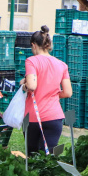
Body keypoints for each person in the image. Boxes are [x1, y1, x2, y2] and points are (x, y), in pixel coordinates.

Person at [23, 25, 72, 154]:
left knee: (33, 157)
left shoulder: (31, 61)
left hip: (33, 116)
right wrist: (51, 94)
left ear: (33, 45)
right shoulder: (62, 65)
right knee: (49, 158)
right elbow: (67, 92)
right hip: (55, 117)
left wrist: (24, 85)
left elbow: (32, 86)